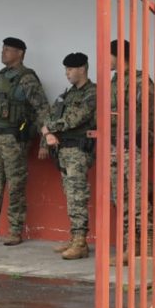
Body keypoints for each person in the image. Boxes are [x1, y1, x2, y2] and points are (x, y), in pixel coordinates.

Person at [0, 37, 50, 247]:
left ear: (20, 53)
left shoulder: (27, 78)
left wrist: (44, 141)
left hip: (13, 140)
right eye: (3, 48)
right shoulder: (2, 75)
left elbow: (42, 108)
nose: (3, 52)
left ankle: (14, 231)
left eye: (8, 49)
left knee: (15, 186)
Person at [40, 52, 96, 260]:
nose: (67, 74)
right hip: (64, 151)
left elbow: (75, 118)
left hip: (79, 151)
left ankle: (81, 242)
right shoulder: (68, 94)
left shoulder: (92, 93)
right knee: (70, 194)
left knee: (77, 195)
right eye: (66, 70)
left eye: (70, 69)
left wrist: (48, 129)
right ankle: (75, 238)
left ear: (82, 69)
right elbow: (51, 114)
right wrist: (47, 133)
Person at [110, 39, 155, 264]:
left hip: (134, 146)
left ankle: (146, 245)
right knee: (121, 198)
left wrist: (145, 144)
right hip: (115, 145)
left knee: (137, 197)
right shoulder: (115, 81)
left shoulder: (140, 81)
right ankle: (130, 246)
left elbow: (152, 114)